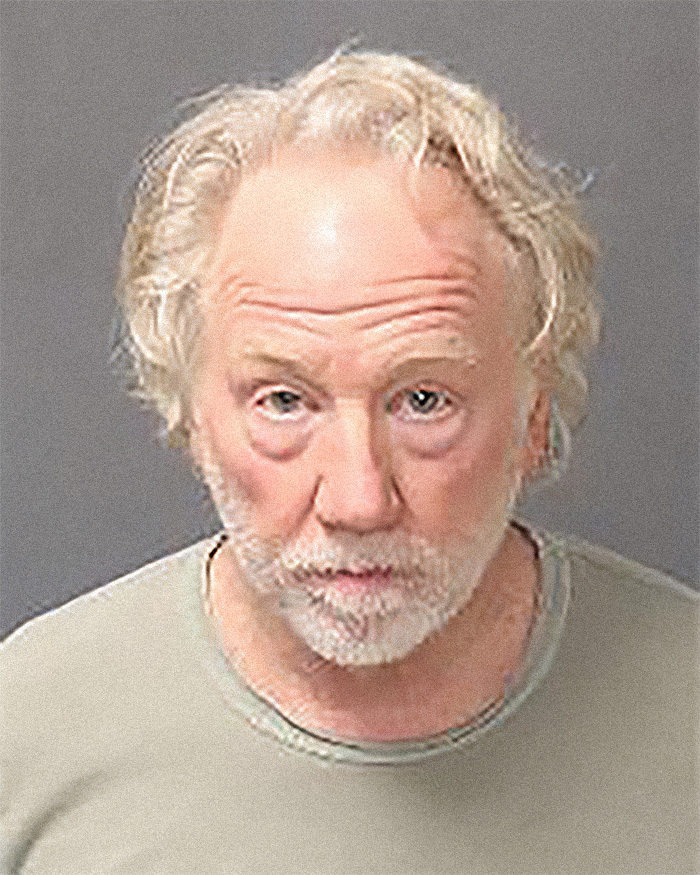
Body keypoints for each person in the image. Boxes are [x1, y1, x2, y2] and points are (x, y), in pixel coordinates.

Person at [1, 49, 697, 875]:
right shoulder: (25, 728)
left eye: (424, 400)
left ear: (534, 411)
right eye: (285, 401)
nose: (359, 500)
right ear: (189, 413)